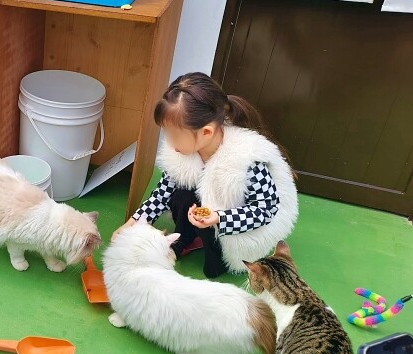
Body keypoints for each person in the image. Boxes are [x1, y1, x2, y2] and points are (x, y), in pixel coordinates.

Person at [112, 72, 298, 278]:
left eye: (175, 135)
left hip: (237, 224)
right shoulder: (185, 151)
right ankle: (188, 237)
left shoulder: (247, 160)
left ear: (206, 132)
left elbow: (265, 210)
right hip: (209, 211)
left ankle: (216, 252)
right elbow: (162, 193)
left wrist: (219, 218)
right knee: (180, 190)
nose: (170, 143)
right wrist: (134, 222)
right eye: (167, 134)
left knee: (213, 271)